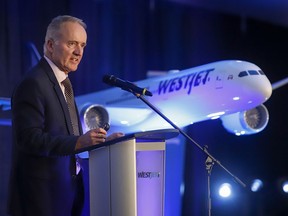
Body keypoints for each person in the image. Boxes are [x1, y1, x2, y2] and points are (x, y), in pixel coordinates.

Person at [7, 15, 124, 216]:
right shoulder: (34, 83)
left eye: (83, 45)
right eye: (72, 44)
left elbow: (66, 138)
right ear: (50, 45)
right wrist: (79, 142)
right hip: (41, 201)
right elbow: (28, 139)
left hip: (66, 195)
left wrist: (102, 143)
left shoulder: (62, 82)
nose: (79, 52)